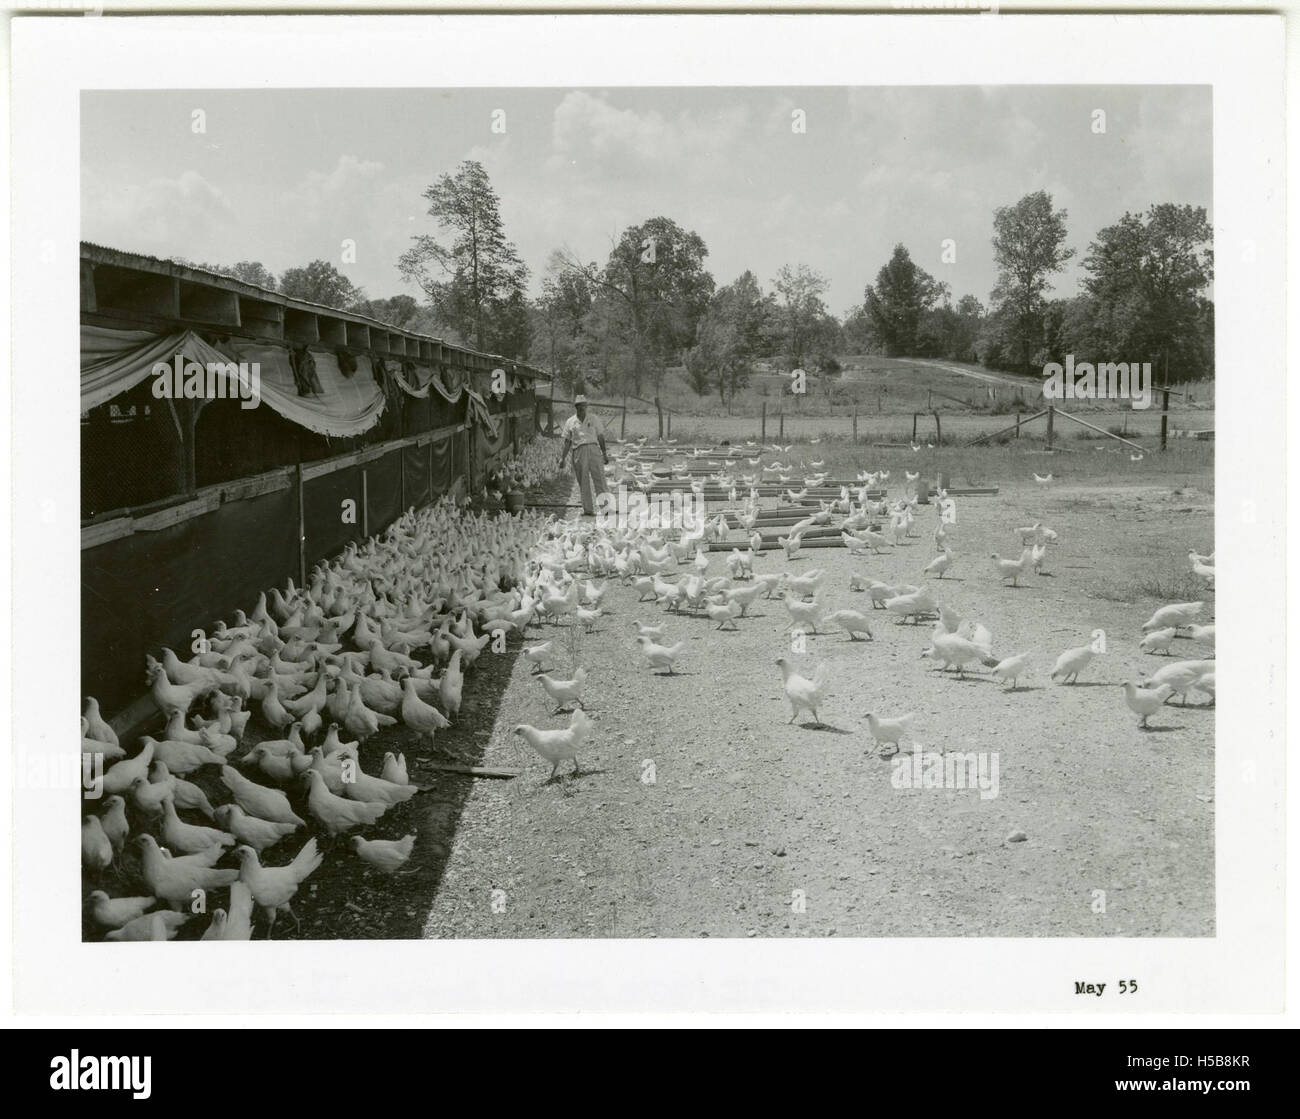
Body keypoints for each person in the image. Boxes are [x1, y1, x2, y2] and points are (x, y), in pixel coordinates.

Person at [558, 393, 608, 516]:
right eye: (579, 406)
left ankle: (606, 508)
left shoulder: (593, 418)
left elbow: (600, 436)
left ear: (586, 406)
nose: (581, 408)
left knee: (600, 479)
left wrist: (604, 453)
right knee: (583, 481)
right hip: (579, 451)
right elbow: (567, 441)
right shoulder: (570, 421)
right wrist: (562, 458)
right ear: (576, 407)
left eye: (583, 405)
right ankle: (588, 510)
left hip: (593, 449)